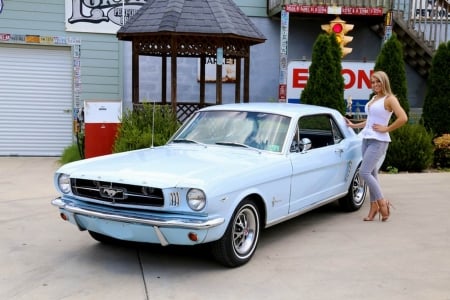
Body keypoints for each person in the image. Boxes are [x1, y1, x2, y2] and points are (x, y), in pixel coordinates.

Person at [346, 71, 408, 222]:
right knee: (372, 173)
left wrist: (386, 129)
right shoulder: (374, 98)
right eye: (373, 82)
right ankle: (373, 207)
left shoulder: (390, 99)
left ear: (384, 82)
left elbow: (403, 118)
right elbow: (370, 121)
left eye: (378, 82)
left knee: (364, 172)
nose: (375, 85)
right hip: (366, 139)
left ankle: (382, 202)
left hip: (379, 141)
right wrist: (354, 125)